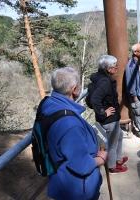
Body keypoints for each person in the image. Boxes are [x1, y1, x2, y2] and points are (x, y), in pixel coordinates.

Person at [42, 67, 108, 200]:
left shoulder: (49, 105)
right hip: (76, 190)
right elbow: (81, 165)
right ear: (74, 90)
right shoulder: (70, 124)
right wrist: (100, 159)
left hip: (61, 180)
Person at [90, 55, 128, 174]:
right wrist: (103, 112)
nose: (117, 68)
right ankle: (112, 166)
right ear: (108, 68)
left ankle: (118, 159)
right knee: (112, 144)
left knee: (120, 135)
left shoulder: (100, 77)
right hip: (109, 120)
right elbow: (94, 99)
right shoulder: (105, 82)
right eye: (114, 66)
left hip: (111, 119)